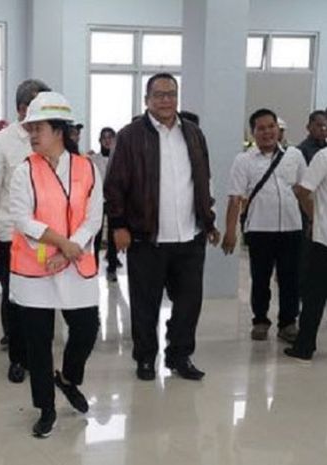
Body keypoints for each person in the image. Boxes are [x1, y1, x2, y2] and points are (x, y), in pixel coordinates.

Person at [104, 73, 220, 382]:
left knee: (188, 303)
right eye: (159, 95)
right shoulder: (129, 136)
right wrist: (118, 225)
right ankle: (145, 358)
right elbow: (114, 185)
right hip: (146, 236)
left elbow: (203, 179)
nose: (166, 100)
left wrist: (208, 220)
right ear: (147, 100)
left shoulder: (194, 134)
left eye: (171, 94)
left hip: (190, 236)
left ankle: (179, 355)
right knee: (145, 304)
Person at [10, 91, 102, 438]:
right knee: (38, 341)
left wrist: (71, 248)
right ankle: (46, 408)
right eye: (30, 129)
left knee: (87, 328)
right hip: (36, 268)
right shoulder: (25, 170)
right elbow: (21, 218)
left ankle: (68, 377)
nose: (32, 136)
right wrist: (59, 243)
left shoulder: (87, 167)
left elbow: (94, 216)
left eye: (39, 129)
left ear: (60, 130)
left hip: (76, 263)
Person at [0, 78, 51, 379]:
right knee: (16, 296)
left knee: (44, 296)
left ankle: (40, 352)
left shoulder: (52, 136)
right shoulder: (2, 142)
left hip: (47, 233)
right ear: (22, 108)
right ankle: (18, 357)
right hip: (13, 234)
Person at [222, 108, 306, 342]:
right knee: (260, 278)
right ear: (253, 133)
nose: (267, 132)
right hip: (259, 229)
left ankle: (288, 323)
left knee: (291, 278)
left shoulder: (294, 155)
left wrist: (315, 220)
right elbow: (235, 197)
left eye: (271, 127)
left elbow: (302, 191)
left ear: (278, 129)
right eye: (261, 128)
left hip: (292, 227)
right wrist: (231, 232)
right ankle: (260, 320)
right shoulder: (244, 160)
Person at [284, 147, 327, 361]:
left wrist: (314, 217)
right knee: (314, 294)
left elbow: (302, 190)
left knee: (315, 295)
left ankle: (304, 346)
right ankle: (304, 344)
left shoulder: (324, 156)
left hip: (324, 238)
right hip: (324, 237)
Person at [90, 127, 121, 282]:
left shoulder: (121, 159)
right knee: (96, 235)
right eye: (104, 138)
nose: (108, 141)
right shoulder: (93, 159)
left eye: (111, 137)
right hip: (98, 202)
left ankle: (112, 267)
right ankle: (93, 266)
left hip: (115, 202)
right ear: (100, 141)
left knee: (113, 236)